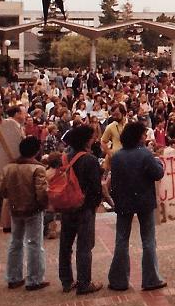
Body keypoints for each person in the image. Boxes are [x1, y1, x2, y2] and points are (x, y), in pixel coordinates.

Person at [108, 122, 166, 291]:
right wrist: (159, 163)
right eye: (142, 134)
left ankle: (119, 280)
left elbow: (115, 181)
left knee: (121, 240)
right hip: (144, 201)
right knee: (148, 240)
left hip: (124, 201)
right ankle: (151, 279)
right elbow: (158, 174)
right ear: (138, 136)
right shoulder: (145, 155)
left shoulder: (117, 156)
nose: (145, 137)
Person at [0, 136, 49, 290]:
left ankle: (13, 277)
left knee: (15, 242)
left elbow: (2, 191)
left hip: (14, 208)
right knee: (34, 244)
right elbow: (41, 193)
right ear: (36, 150)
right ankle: (34, 280)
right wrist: (44, 205)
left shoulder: (8, 167)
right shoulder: (38, 168)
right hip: (33, 209)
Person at [59, 125, 103, 294]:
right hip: (84, 208)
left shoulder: (65, 157)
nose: (94, 140)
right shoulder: (89, 159)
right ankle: (84, 283)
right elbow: (95, 187)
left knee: (66, 245)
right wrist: (94, 204)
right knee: (84, 246)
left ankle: (66, 281)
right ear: (86, 140)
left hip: (67, 206)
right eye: (92, 138)